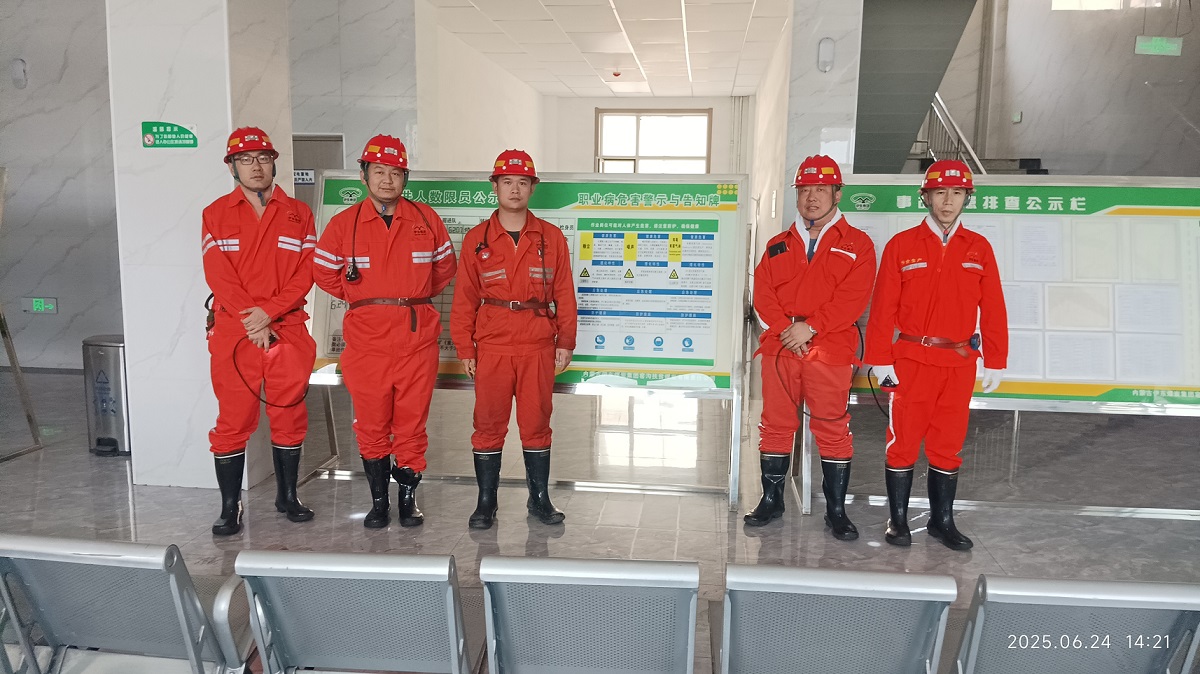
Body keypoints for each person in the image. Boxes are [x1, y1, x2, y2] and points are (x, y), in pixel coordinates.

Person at [313, 134, 457, 528]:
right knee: (372, 424)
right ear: (364, 175)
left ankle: (408, 500)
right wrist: (366, 299)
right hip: (367, 344)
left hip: (417, 341)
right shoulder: (343, 225)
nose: (387, 180)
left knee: (412, 424)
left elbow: (444, 270)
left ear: (405, 178)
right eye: (379, 171)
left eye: (395, 172)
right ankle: (379, 503)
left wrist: (410, 297)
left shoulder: (426, 220)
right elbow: (323, 272)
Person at [865, 159, 1008, 551]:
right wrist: (880, 358)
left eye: (957, 193)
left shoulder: (978, 248)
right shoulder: (902, 245)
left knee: (949, 443)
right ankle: (898, 520)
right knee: (903, 441)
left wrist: (996, 358)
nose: (948, 201)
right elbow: (883, 308)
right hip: (912, 359)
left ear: (966, 198)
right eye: (940, 192)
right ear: (925, 196)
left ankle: (941, 521)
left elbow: (993, 307)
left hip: (959, 363)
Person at [745, 155, 877, 539]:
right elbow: (763, 293)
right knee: (775, 423)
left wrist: (811, 327)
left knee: (832, 427)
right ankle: (771, 499)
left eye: (821, 189)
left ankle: (836, 510)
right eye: (804, 190)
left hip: (830, 349)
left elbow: (853, 298)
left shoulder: (858, 244)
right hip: (781, 347)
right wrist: (788, 331)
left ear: (837, 193)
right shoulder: (777, 245)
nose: (812, 197)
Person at [450, 149, 577, 529]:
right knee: (488, 424)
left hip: (538, 344)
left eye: (523, 182)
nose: (515, 189)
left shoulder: (551, 237)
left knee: (537, 423)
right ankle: (486, 502)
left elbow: (565, 293)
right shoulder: (477, 239)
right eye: (507, 182)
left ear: (533, 187)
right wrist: (465, 347)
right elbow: (464, 299)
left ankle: (539, 500)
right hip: (493, 346)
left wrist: (566, 341)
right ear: (495, 187)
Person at [201, 126, 318, 536]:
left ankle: (288, 496)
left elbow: (306, 273)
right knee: (233, 419)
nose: (256, 166)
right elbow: (218, 275)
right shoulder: (215, 213)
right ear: (232, 167)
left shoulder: (299, 214)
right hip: (235, 332)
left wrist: (269, 312)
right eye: (246, 160)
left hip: (287, 328)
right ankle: (229, 507)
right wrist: (252, 319)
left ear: (273, 164)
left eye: (263, 159)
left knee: (289, 414)